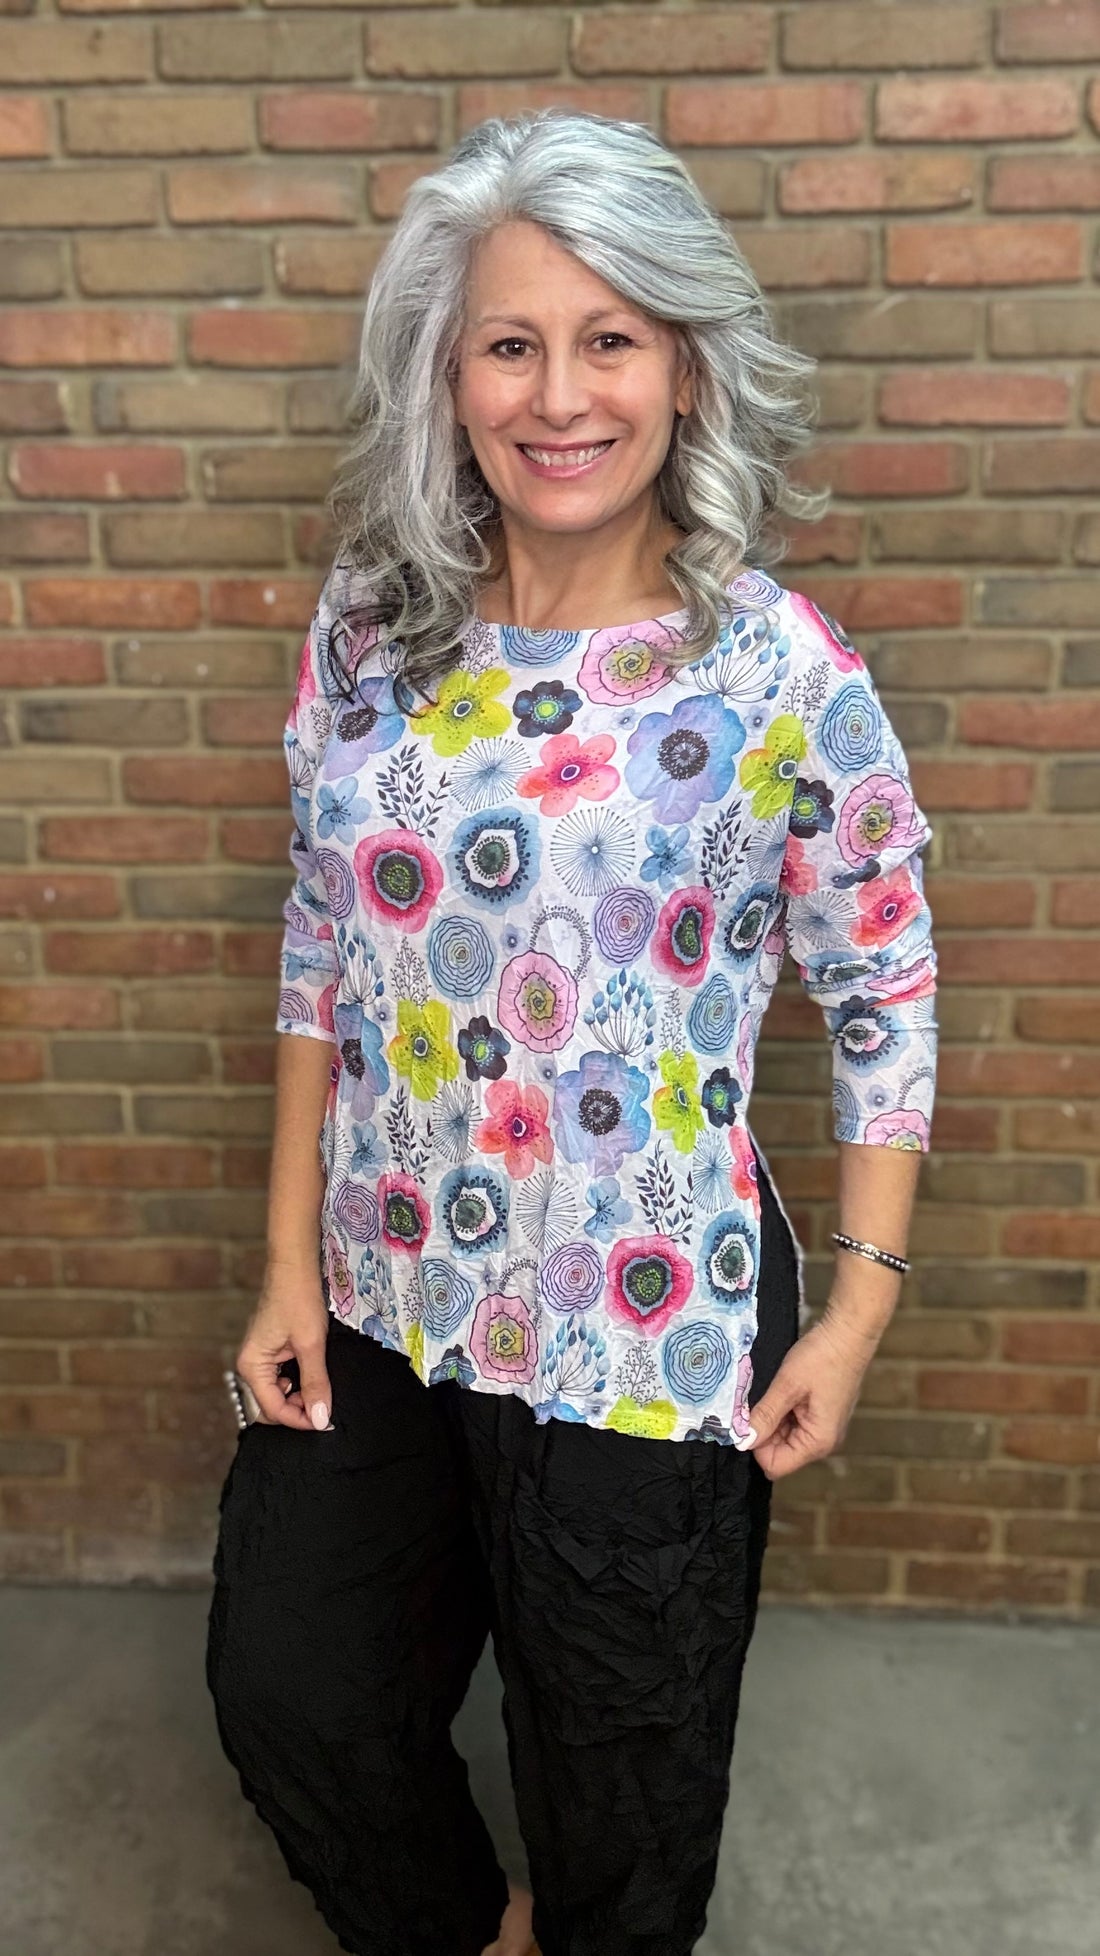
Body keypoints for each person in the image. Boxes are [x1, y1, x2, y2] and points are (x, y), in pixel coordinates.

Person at [205, 109, 938, 1956]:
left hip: (643, 1325)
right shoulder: (370, 636)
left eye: (609, 339)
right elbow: (320, 949)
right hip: (380, 1288)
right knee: (296, 1686)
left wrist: (858, 1307)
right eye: (509, 344)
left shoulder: (778, 672)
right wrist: (285, 1260)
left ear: (686, 366)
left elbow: (882, 989)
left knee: (620, 1778)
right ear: (447, 377)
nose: (558, 396)